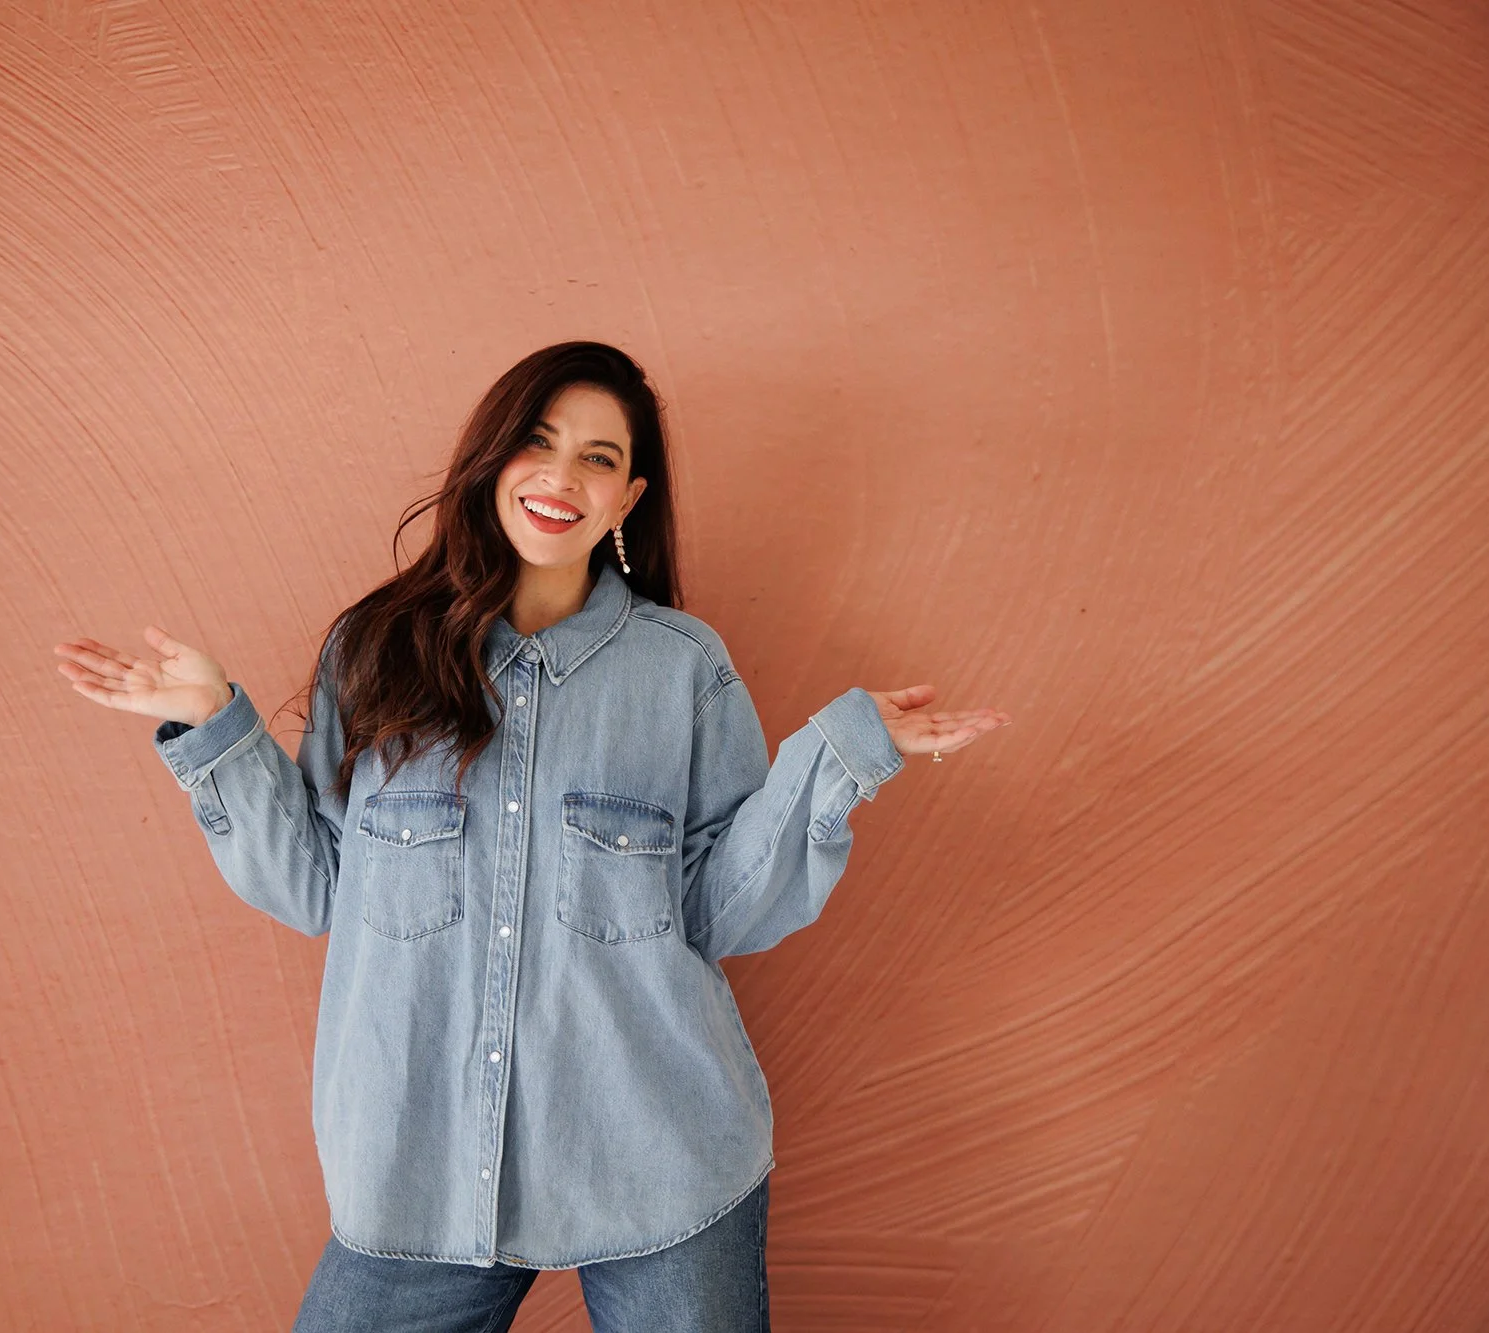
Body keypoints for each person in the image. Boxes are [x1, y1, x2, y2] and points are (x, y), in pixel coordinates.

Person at [53, 341, 1011, 1332]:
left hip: (659, 1159)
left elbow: (720, 906)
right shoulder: (374, 647)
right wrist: (214, 723)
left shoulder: (682, 670)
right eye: (538, 443)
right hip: (417, 1166)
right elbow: (316, 885)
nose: (562, 476)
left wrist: (837, 755)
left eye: (598, 458)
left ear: (626, 497)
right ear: (491, 460)